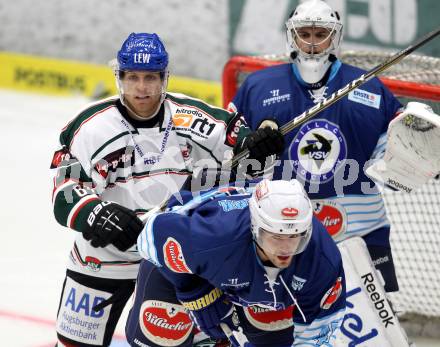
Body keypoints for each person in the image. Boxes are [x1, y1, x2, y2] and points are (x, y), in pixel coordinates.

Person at [50, 32, 284, 347]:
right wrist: (97, 214)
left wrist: (256, 145)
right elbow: (64, 194)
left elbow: (237, 141)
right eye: (132, 77)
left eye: (151, 77)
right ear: (119, 77)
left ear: (165, 78)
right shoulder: (89, 128)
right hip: (104, 258)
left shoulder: (193, 118)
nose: (142, 87)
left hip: (173, 257)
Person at [228, 0, 404, 294]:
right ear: (292, 36)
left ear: (334, 37)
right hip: (280, 228)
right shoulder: (258, 86)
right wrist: (249, 146)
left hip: (360, 227)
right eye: (304, 33)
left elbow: (394, 161)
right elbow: (229, 148)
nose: (311, 43)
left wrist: (416, 155)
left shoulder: (370, 89)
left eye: (320, 33)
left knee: (379, 321)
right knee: (284, 316)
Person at [126, 179, 346, 347]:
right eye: (276, 237)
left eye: (294, 236)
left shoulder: (322, 262)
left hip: (253, 286)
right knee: (160, 336)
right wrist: (193, 290)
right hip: (191, 268)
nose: (286, 249)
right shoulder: (214, 237)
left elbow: (317, 335)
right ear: (255, 229)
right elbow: (150, 237)